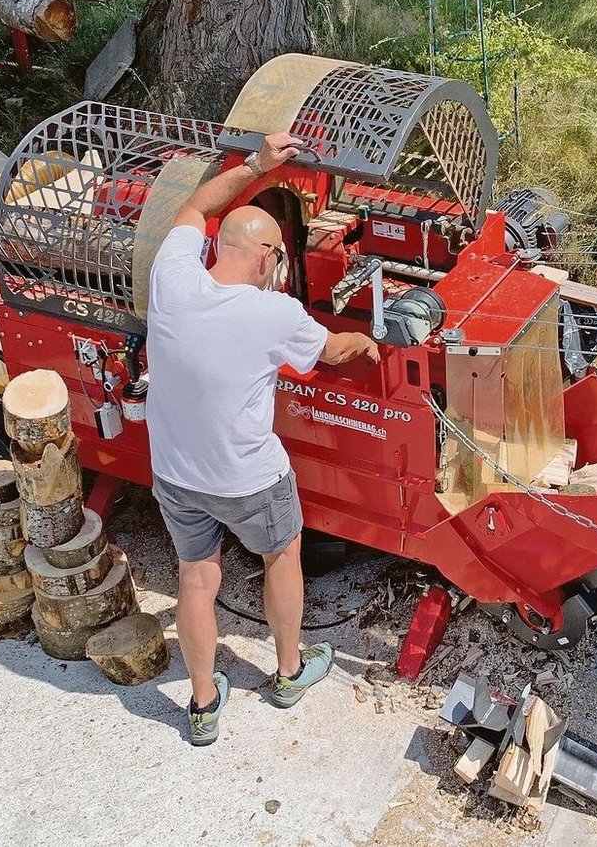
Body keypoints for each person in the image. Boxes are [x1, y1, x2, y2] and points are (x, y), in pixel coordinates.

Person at [145, 132, 379, 746]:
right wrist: (373, 341)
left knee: (196, 577)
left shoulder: (171, 280)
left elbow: (193, 208)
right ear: (269, 256)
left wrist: (254, 165)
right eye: (277, 256)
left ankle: (202, 707)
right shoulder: (272, 314)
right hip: (249, 478)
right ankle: (288, 672)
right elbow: (333, 351)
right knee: (282, 556)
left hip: (174, 472)